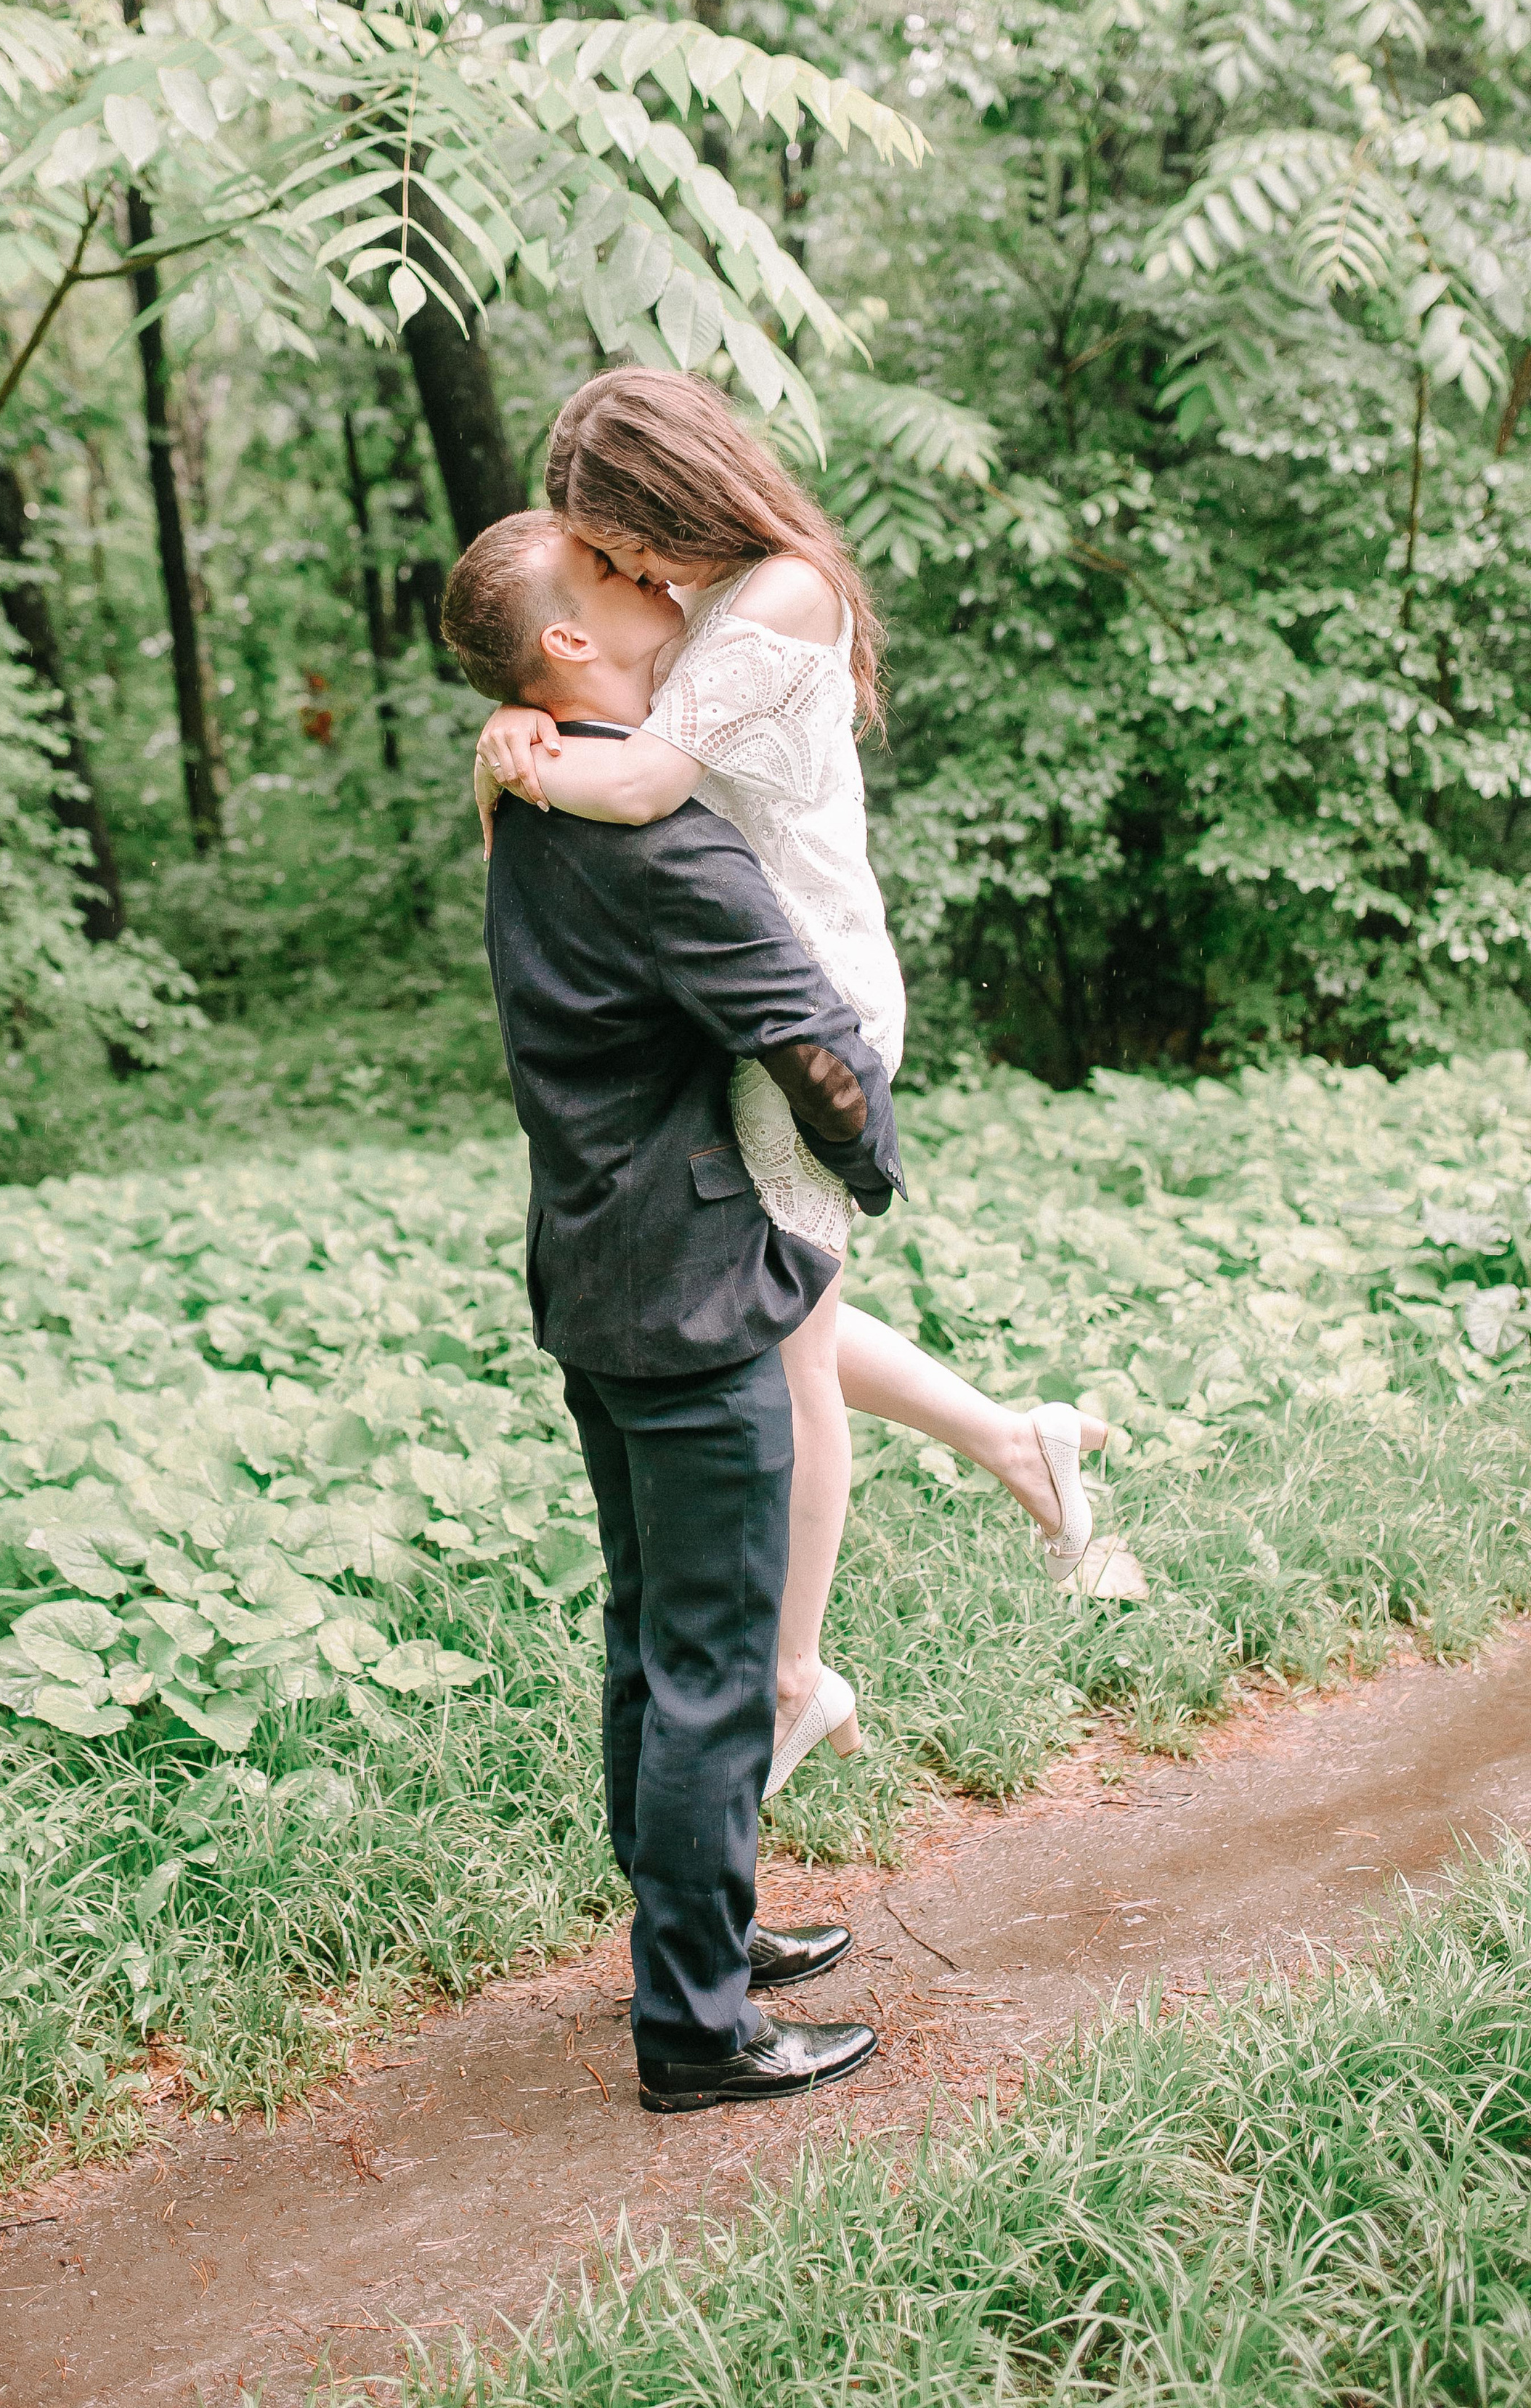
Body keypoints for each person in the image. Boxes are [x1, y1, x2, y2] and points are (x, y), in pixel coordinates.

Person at [466, 372, 1106, 1799]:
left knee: (786, 1347)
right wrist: (524, 721)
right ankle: (1017, 1441)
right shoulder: (704, 593)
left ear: (670, 498)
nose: (624, 574)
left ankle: (792, 1674)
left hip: (797, 998)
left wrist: (523, 752)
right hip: (735, 990)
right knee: (787, 1298)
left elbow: (635, 789)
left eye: (622, 541)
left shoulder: (780, 596)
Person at [442, 509, 899, 2113]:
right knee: (706, 1662)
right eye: (623, 577)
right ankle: (696, 2036)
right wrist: (872, 1169)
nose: (660, 585)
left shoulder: (525, 802)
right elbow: (811, 1042)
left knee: (652, 1640)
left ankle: (694, 1939)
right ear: (567, 643)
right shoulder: (663, 838)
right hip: (698, 1288)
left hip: (593, 1268)